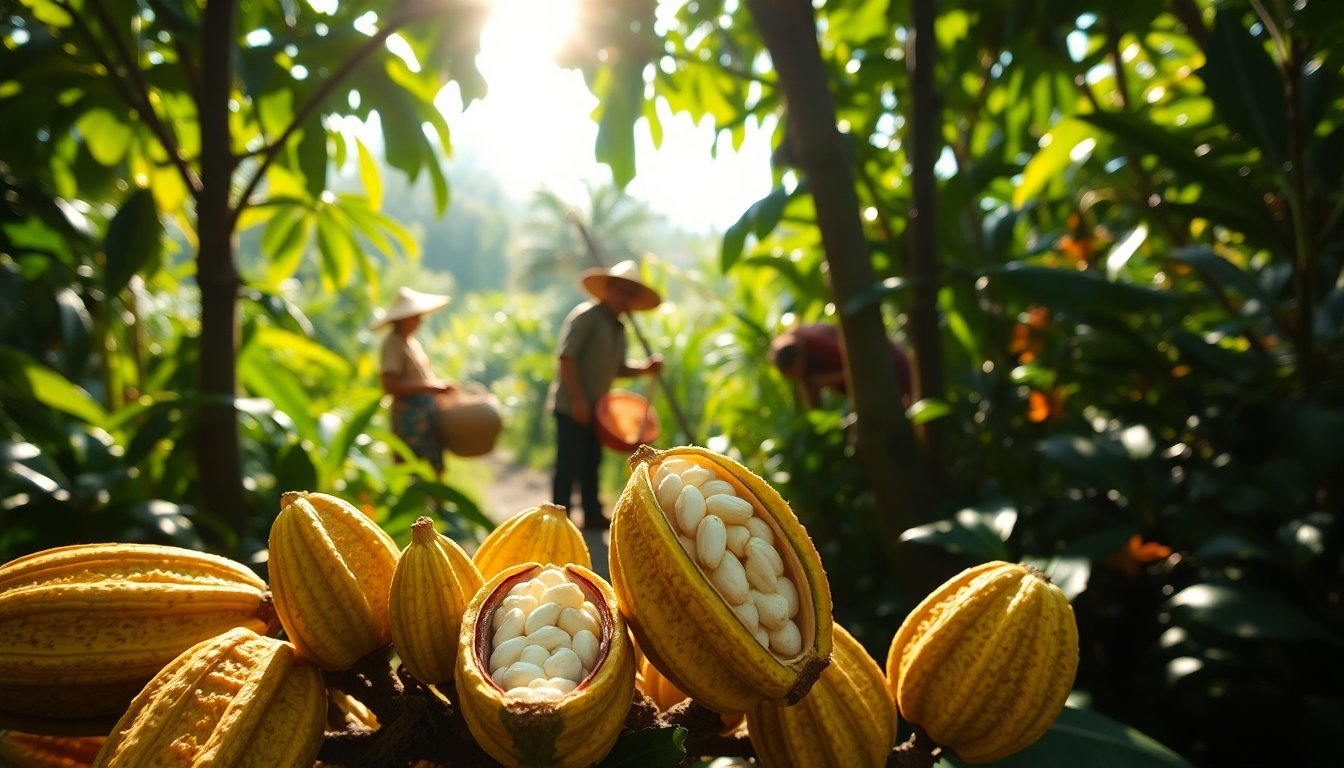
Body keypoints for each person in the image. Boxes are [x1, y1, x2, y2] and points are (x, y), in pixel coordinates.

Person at [548, 260, 664, 530]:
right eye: (622, 291)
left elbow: (618, 368)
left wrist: (645, 368)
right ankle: (558, 518)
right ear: (609, 290)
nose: (626, 299)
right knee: (568, 462)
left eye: (631, 294)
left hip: (598, 409)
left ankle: (591, 513)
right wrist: (577, 400)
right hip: (570, 404)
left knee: (591, 460)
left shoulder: (619, 328)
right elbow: (567, 358)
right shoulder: (587, 316)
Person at [373, 287, 456, 480]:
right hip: (409, 419)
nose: (420, 320)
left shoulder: (410, 342)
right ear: (402, 319)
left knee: (433, 468)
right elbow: (390, 385)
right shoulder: (392, 343)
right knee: (410, 470)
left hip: (425, 416)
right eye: (415, 316)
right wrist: (431, 387)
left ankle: (436, 506)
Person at [768, 322, 913, 410]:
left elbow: (863, 364)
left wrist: (826, 380)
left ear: (797, 359)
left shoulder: (816, 343)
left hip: (890, 368)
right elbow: (814, 408)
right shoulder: (804, 366)